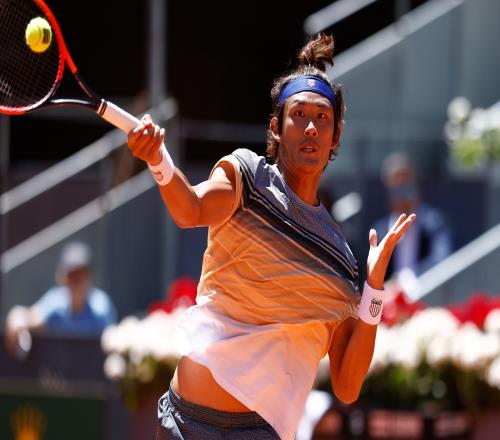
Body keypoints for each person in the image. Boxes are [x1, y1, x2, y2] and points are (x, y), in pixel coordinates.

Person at [128, 33, 415, 440]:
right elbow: (189, 209)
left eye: (322, 117)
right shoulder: (247, 178)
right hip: (185, 424)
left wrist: (373, 288)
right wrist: (158, 160)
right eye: (299, 114)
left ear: (335, 136)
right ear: (276, 127)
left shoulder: (340, 260)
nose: (311, 127)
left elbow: (348, 387)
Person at [5, 241, 117, 356]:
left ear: (89, 277)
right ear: (63, 278)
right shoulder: (56, 302)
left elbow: (111, 339)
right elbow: (29, 318)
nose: (77, 282)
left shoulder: (101, 307)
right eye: (72, 276)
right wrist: (17, 316)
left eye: (81, 275)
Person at [372, 152, 452, 298]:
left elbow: (441, 262)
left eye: (407, 187)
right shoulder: (379, 231)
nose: (402, 195)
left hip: (427, 301)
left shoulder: (435, 223)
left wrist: (403, 283)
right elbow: (372, 277)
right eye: (396, 189)